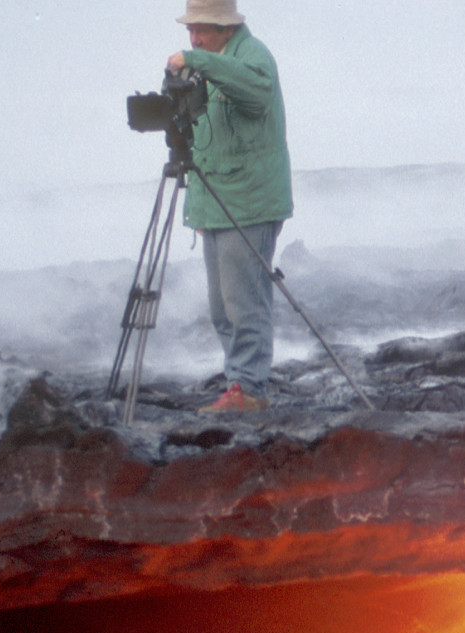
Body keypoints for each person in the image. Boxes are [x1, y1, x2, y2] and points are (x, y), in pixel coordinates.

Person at [166, 0, 292, 413]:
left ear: (225, 28)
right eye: (191, 30)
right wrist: (199, 211)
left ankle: (249, 389)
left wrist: (198, 60)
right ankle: (238, 382)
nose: (194, 37)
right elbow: (204, 142)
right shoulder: (210, 62)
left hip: (250, 204)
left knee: (244, 303)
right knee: (221, 307)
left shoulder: (253, 57)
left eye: (201, 29)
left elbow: (255, 96)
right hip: (219, 203)